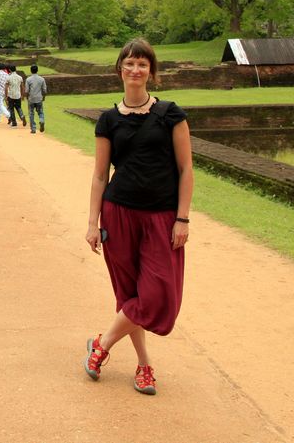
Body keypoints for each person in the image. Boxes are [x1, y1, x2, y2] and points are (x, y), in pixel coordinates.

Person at [84, 38, 193, 396]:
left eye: (142, 64)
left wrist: (183, 218)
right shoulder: (108, 120)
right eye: (129, 63)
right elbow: (100, 175)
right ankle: (144, 366)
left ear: (152, 72)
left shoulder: (171, 114)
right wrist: (92, 223)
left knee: (157, 296)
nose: (135, 70)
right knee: (130, 295)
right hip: (119, 215)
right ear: (120, 70)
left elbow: (186, 169)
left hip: (162, 217)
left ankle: (102, 344)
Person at [25, 64, 48, 134]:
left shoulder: (28, 79)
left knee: (31, 113)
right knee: (40, 112)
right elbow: (44, 90)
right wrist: (43, 97)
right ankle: (41, 120)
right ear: (37, 70)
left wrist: (27, 97)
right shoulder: (42, 79)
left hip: (31, 98)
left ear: (31, 70)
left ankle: (33, 128)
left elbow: (26, 91)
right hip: (39, 98)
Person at [5, 63, 26, 128]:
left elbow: (6, 88)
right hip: (18, 95)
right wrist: (22, 95)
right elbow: (22, 87)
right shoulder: (20, 77)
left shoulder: (8, 77)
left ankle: (14, 123)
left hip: (11, 95)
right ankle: (22, 116)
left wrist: (6, 96)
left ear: (10, 70)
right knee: (18, 107)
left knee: (11, 109)